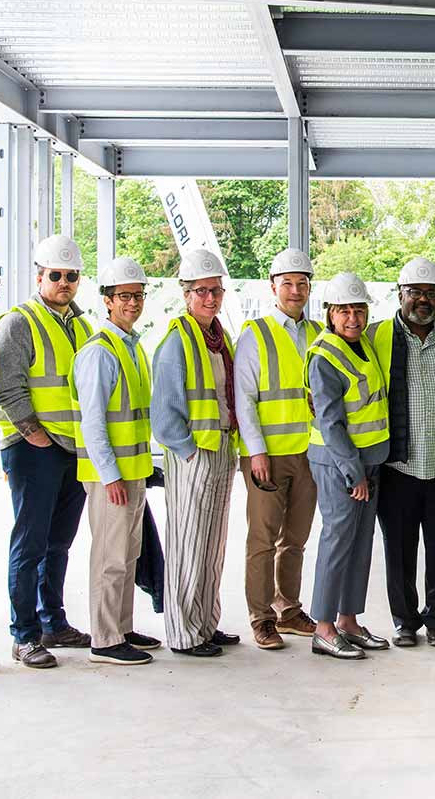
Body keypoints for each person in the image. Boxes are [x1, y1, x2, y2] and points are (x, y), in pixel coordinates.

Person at [0, 233, 95, 669]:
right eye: (57, 275)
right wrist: (33, 433)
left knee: (58, 543)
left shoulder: (82, 324)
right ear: (40, 276)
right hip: (35, 448)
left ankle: (53, 622)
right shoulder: (19, 322)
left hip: (71, 449)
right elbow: (8, 383)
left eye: (72, 276)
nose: (65, 282)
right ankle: (24, 634)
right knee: (30, 543)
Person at [150, 248, 241, 658]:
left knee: (213, 544)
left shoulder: (220, 339)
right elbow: (164, 412)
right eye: (202, 291)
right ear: (186, 294)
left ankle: (206, 622)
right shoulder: (177, 341)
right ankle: (184, 634)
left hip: (221, 448)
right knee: (188, 545)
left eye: (216, 290)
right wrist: (186, 452)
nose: (211, 298)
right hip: (193, 455)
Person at [369, 257, 435, 648]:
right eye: (415, 292)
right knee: (400, 549)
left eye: (431, 293)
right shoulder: (376, 336)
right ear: (400, 294)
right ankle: (405, 621)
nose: (423, 300)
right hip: (398, 465)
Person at [70, 256, 159, 667]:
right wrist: (109, 475)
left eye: (138, 295)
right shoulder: (99, 353)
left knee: (127, 555)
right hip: (112, 478)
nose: (133, 303)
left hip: (133, 472)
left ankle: (121, 628)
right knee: (110, 558)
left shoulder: (132, 347)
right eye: (124, 296)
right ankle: (105, 639)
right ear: (107, 300)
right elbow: (93, 423)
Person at [235, 248, 322, 650]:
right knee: (262, 540)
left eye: (301, 283)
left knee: (296, 538)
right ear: (273, 287)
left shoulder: (319, 332)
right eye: (287, 283)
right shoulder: (256, 333)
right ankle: (261, 617)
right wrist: (256, 452)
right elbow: (245, 397)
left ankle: (288, 609)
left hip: (309, 455)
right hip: (268, 455)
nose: (295, 290)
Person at [306, 273, 391, 661]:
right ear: (330, 314)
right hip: (340, 464)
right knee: (337, 541)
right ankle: (323, 627)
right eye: (344, 311)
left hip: (369, 461)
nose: (353, 318)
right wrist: (352, 471)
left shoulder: (363, 345)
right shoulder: (325, 356)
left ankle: (349, 621)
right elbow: (330, 422)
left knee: (359, 544)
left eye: (359, 310)